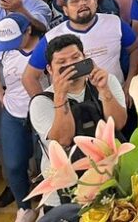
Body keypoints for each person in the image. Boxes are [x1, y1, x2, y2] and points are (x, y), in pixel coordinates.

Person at [28, 34, 128, 210]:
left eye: (75, 58)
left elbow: (118, 124)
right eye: (62, 62)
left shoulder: (107, 81)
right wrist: (60, 95)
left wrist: (104, 90)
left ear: (85, 57)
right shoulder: (41, 102)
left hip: (110, 179)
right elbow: (64, 140)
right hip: (65, 191)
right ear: (50, 69)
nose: (70, 65)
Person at [23, 0, 138, 96]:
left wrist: (130, 81)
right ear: (65, 10)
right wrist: (47, 102)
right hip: (75, 104)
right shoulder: (52, 37)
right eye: (74, 1)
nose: (82, 3)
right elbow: (29, 77)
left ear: (95, 2)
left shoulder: (114, 22)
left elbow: (135, 48)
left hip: (115, 96)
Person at [0, 14, 43, 222]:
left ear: (28, 30)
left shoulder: (45, 45)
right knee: (14, 164)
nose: (11, 46)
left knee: (47, 164)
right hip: (14, 112)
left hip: (41, 114)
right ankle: (24, 207)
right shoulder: (4, 48)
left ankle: (47, 205)